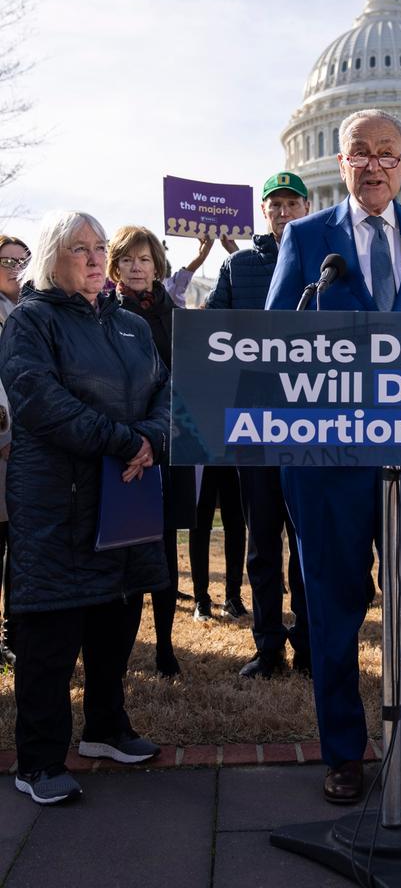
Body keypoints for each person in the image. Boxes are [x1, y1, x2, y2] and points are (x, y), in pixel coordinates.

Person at [266, 109, 401, 803]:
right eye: (362, 152)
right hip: (328, 456)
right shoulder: (306, 238)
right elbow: (274, 341)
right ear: (341, 163)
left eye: (387, 152)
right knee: (333, 599)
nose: (375, 164)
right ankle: (343, 752)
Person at [0, 211, 168, 805]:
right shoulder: (30, 321)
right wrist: (127, 441)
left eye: (101, 248)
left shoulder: (132, 326)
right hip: (58, 498)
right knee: (51, 633)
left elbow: (164, 390)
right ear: (53, 258)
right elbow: (39, 400)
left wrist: (153, 436)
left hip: (124, 494)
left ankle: (105, 728)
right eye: (81, 250)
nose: (97, 260)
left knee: (116, 618)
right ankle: (39, 761)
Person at [206, 172, 311, 678]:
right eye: (276, 204)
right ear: (264, 212)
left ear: (306, 207)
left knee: (308, 541)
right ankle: (268, 645)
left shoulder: (326, 263)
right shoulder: (238, 266)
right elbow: (211, 334)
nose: (284, 212)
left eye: (293, 203)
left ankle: (309, 643)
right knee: (262, 540)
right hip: (256, 420)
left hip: (313, 422)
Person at [107, 226, 199, 678]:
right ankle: (119, 651)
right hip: (128, 445)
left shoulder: (175, 311)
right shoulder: (107, 313)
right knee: (126, 548)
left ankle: (165, 646)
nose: (137, 267)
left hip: (170, 441)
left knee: (165, 548)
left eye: (144, 259)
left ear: (157, 264)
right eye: (127, 260)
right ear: (116, 267)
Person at [0, 234, 30, 666]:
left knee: (17, 543)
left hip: (26, 446)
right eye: (6, 260)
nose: (15, 267)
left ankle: (12, 632)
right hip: (3, 441)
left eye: (22, 260)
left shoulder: (31, 312)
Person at [187, 466, 247, 621]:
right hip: (203, 456)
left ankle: (233, 598)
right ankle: (201, 600)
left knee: (236, 526)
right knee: (199, 526)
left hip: (233, 455)